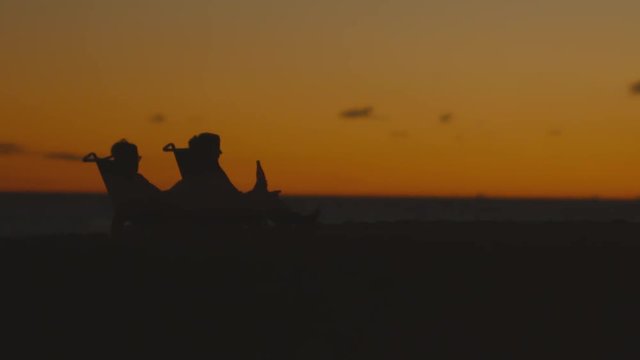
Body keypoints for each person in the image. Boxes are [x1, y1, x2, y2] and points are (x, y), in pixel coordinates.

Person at [108, 139, 162, 233]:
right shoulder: (121, 182)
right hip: (146, 217)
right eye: (133, 159)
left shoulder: (137, 178)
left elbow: (157, 193)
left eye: (137, 158)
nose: (136, 162)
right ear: (124, 160)